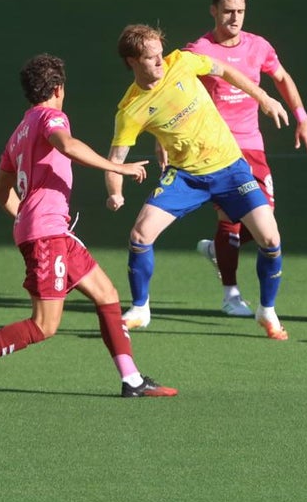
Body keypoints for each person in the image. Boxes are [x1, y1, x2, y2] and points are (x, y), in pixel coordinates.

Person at [0, 54, 177, 402]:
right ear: (58, 88)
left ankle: (132, 379)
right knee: (44, 325)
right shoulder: (52, 117)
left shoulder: (18, 132)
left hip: (53, 232)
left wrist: (25, 219)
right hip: (47, 235)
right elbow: (67, 144)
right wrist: (118, 168)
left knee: (107, 296)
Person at [106, 24, 292, 340]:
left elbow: (227, 71)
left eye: (159, 54)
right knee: (140, 234)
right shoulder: (131, 109)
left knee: (270, 240)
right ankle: (140, 308)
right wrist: (115, 192)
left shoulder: (183, 61)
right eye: (150, 59)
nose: (160, 62)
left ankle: (267, 310)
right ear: (132, 62)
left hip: (231, 169)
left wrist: (264, 98)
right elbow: (115, 160)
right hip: (186, 178)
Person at [185, 0, 307, 317]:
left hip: (253, 147)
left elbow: (282, 77)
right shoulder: (198, 50)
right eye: (228, 10)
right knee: (230, 221)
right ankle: (231, 295)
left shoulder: (258, 46)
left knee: (264, 224)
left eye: (240, 12)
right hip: (216, 148)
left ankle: (220, 250)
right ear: (213, 10)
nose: (234, 18)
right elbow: (177, 93)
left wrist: (303, 119)